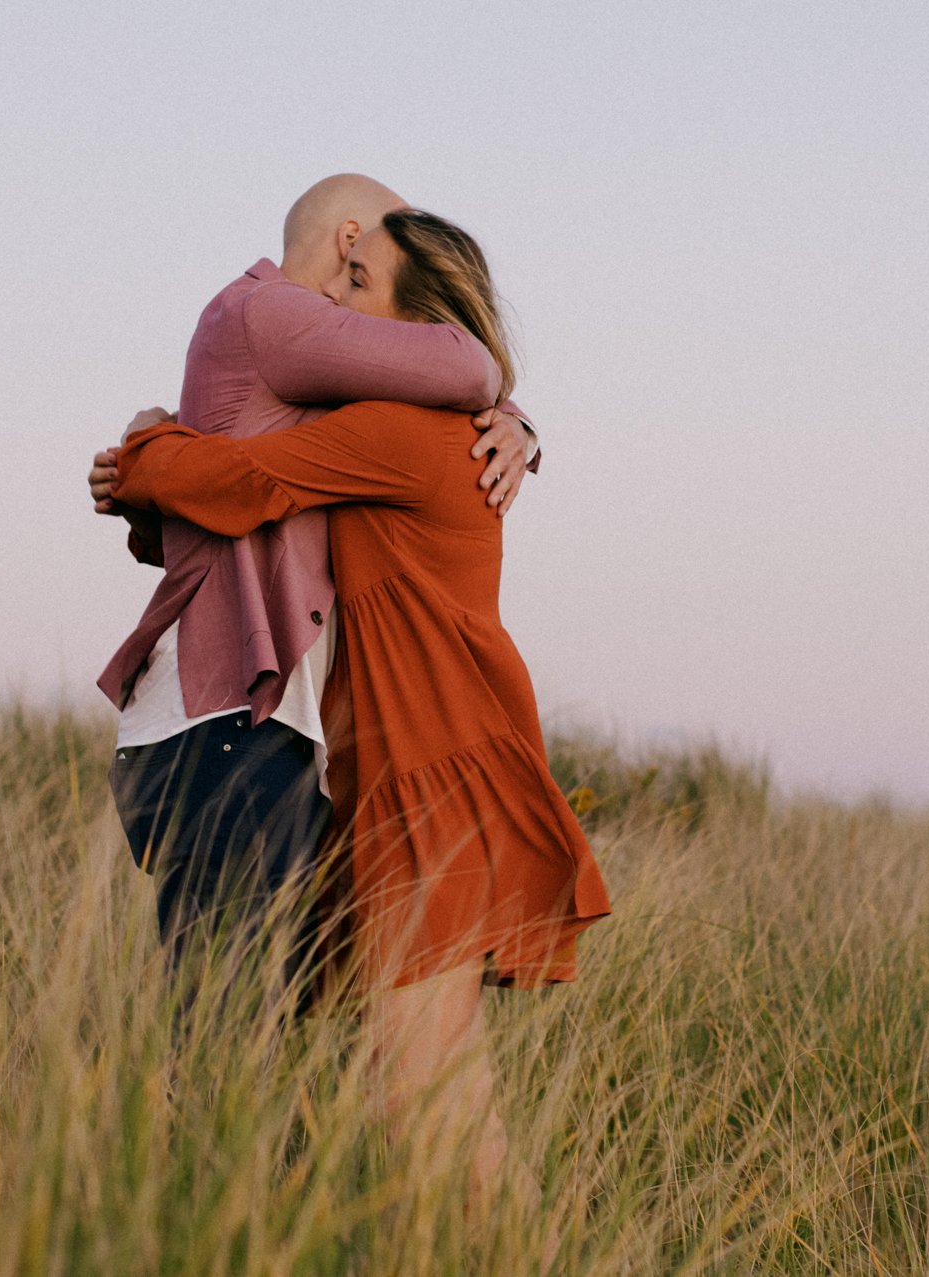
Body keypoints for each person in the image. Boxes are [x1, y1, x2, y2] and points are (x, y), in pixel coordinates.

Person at [92, 207, 611, 1209]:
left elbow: (240, 477)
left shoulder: (399, 432)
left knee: (421, 1103)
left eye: (359, 284)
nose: (333, 304)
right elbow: (264, 522)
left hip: (431, 777)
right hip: (399, 780)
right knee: (425, 1094)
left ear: (416, 323)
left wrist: (144, 449)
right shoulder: (391, 432)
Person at [93, 174, 540, 1005]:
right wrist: (148, 461)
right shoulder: (276, 313)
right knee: (232, 1039)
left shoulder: (321, 370)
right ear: (349, 239)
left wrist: (520, 425)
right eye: (360, 270)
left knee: (275, 1041)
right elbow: (462, 360)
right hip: (227, 727)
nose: (349, 296)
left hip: (271, 732)